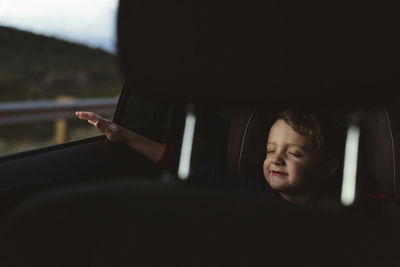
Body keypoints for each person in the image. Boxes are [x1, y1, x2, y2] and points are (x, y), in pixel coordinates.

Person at [75, 109, 344, 205]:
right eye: (270, 150)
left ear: (327, 168)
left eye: (294, 153)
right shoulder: (255, 198)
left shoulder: (351, 213)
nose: (276, 159)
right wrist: (124, 135)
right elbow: (192, 170)